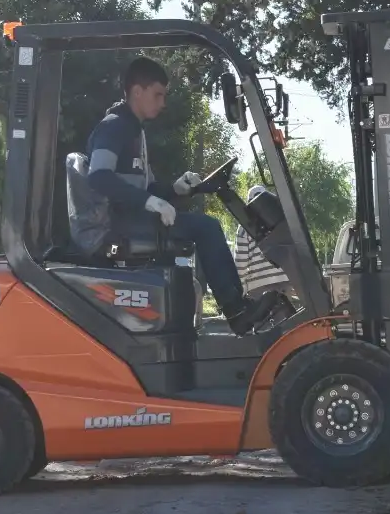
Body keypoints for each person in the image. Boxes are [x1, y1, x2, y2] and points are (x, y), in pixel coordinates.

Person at [87, 57, 283, 335]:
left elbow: (146, 188)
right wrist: (149, 202)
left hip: (131, 218)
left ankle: (205, 316)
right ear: (137, 91)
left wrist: (178, 189)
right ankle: (236, 310)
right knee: (206, 228)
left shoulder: (134, 131)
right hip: (117, 224)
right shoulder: (114, 126)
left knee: (197, 230)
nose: (163, 103)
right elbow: (98, 176)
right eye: (158, 95)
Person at [234, 185, 291, 298]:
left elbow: (241, 263)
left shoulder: (244, 227)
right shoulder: (281, 220)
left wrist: (241, 290)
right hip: (284, 283)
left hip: (258, 286)